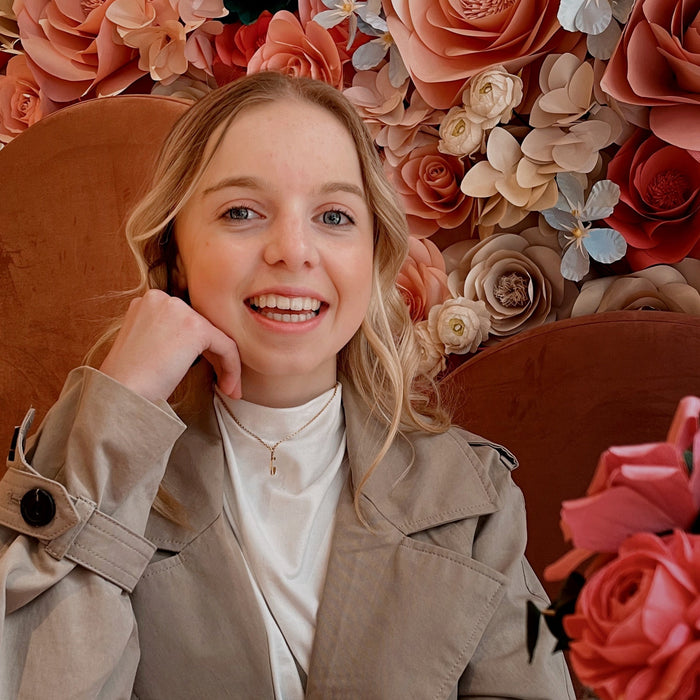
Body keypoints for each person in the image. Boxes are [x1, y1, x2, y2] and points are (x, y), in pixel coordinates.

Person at [0, 71, 574, 698]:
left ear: (373, 253)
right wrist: (121, 409)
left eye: (333, 215)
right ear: (175, 252)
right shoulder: (73, 467)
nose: (293, 250)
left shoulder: (476, 497)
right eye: (241, 212)